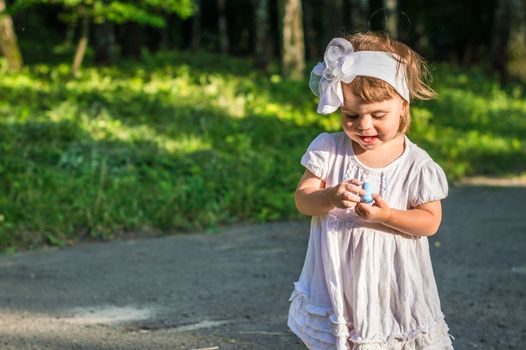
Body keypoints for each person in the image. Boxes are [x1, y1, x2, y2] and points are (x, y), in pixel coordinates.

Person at [287, 32, 454, 350]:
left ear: (403, 108)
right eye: (351, 115)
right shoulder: (329, 149)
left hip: (392, 282)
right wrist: (331, 195)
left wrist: (386, 215)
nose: (364, 125)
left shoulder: (417, 164)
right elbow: (303, 200)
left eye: (378, 115)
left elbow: (430, 222)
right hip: (339, 279)